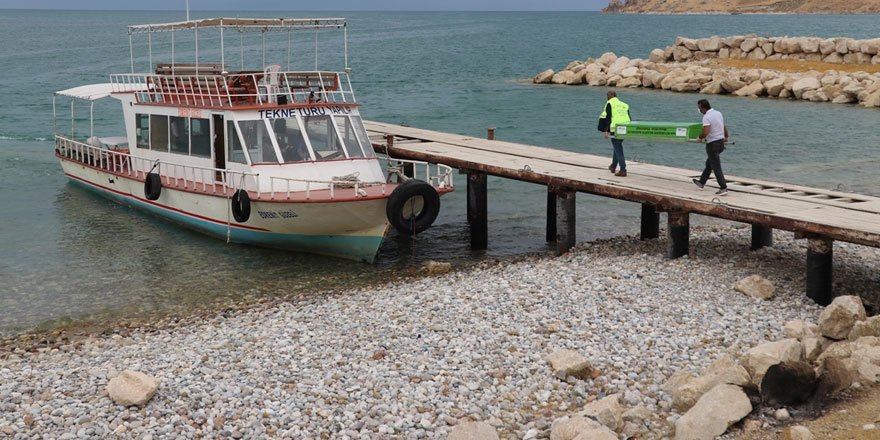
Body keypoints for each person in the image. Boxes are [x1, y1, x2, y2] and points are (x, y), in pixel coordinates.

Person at [693, 99, 730, 196]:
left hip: (712, 145)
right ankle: (701, 182)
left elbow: (706, 131)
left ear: (702, 107)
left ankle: (723, 188)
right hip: (720, 143)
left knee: (716, 167)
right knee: (709, 163)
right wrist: (726, 136)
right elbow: (723, 126)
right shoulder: (718, 113)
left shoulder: (706, 117)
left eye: (699, 108)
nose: (699, 110)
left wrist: (699, 138)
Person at [599, 90, 631, 177]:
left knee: (618, 148)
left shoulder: (610, 104)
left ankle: (623, 169)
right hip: (625, 128)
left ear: (608, 97)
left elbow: (608, 117)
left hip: (615, 129)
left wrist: (606, 130)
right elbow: (629, 117)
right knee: (617, 147)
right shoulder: (624, 105)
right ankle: (613, 166)